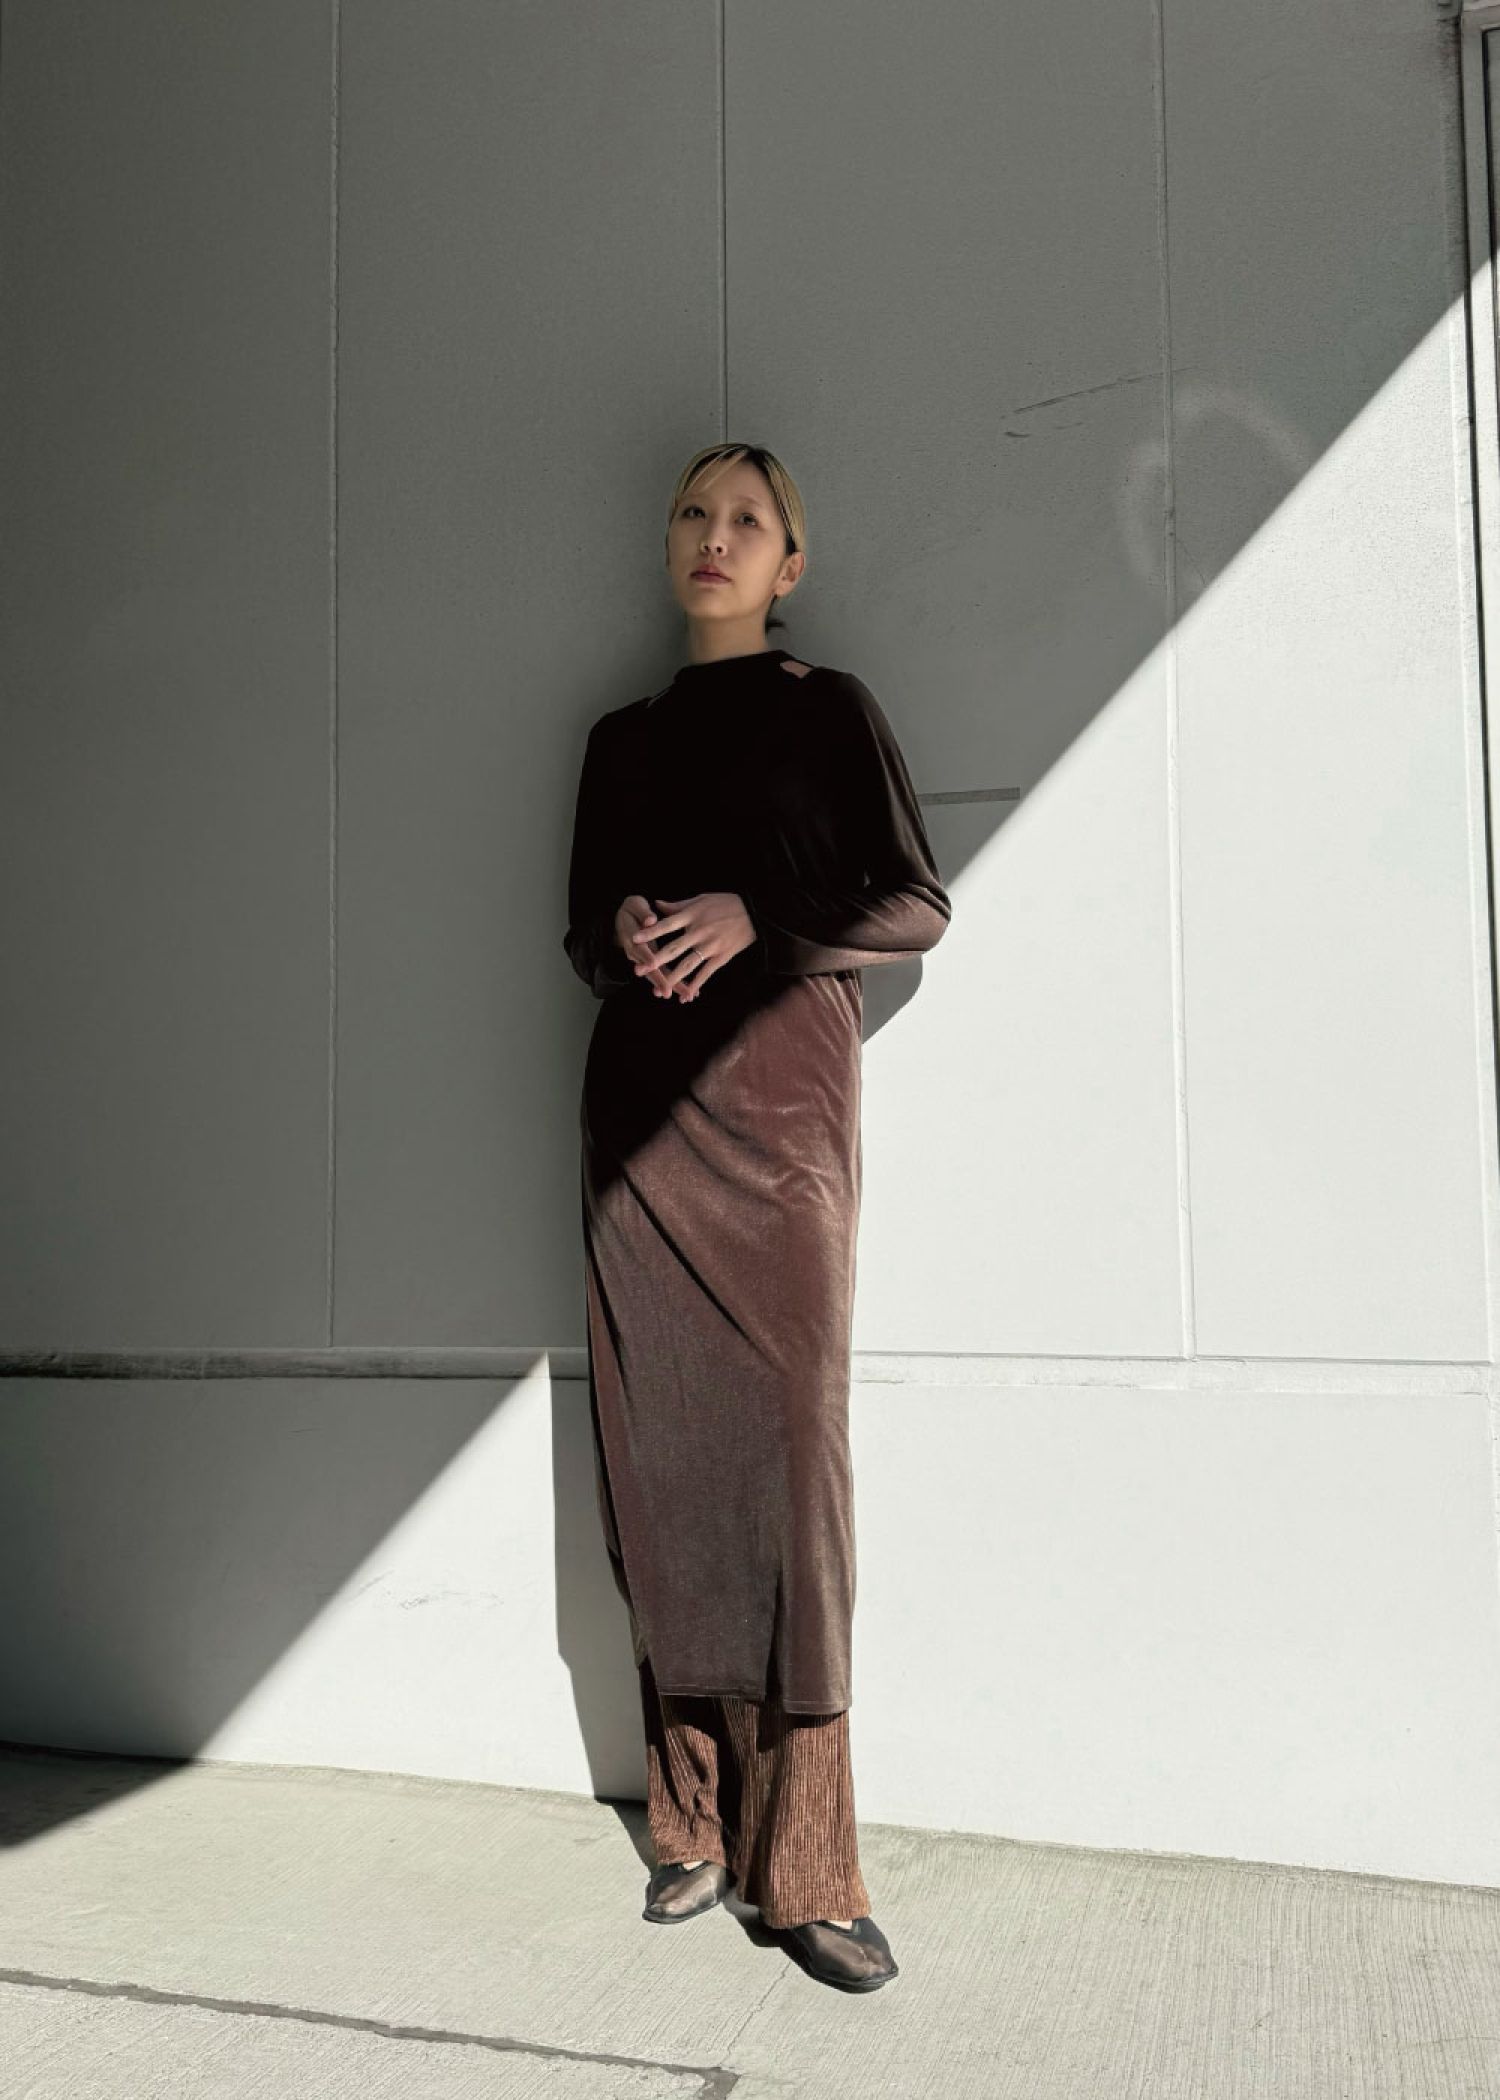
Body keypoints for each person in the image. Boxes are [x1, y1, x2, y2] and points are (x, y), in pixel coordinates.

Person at [562, 441, 951, 1992]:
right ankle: (692, 1826)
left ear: (790, 564)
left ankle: (809, 1866)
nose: (711, 536)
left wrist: (756, 919)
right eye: (692, 513)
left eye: (745, 519)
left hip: (783, 1129)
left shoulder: (828, 710)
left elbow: (915, 904)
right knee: (660, 1469)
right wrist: (625, 927)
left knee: (791, 1471)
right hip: (638, 1140)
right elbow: (579, 932)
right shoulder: (621, 740)